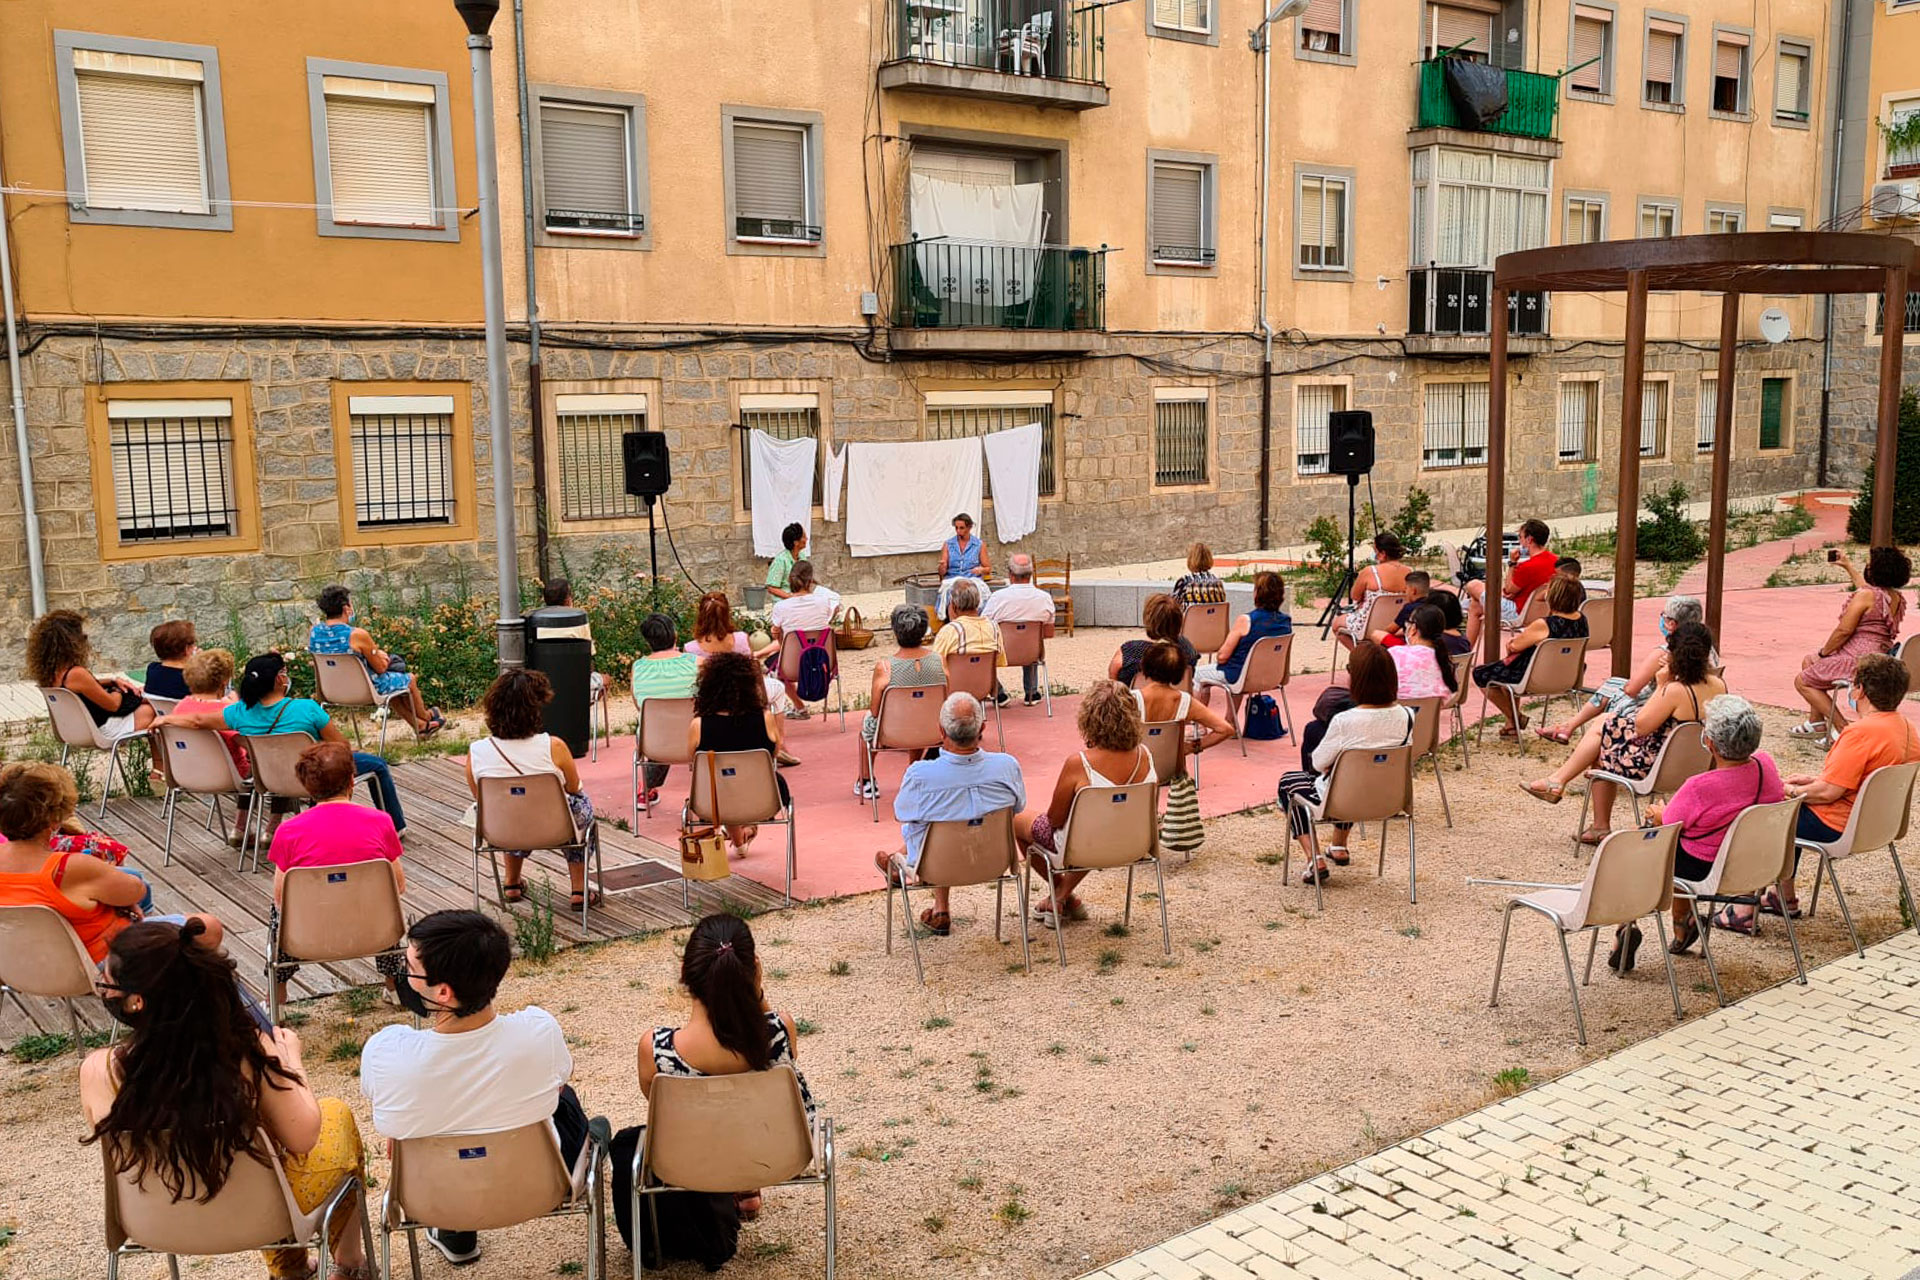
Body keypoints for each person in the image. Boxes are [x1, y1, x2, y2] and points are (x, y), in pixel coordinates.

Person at [82, 919, 376, 1280]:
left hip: (153, 1222)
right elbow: (302, 1138)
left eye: (106, 983)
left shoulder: (99, 1071)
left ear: (136, 1001)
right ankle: (349, 1265)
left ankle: (293, 1271)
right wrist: (290, 1061)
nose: (103, 990)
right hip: (259, 1216)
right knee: (332, 1115)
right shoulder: (247, 1052)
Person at [360, 910, 596, 1268]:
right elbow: (560, 1077)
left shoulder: (387, 1052)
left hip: (432, 1197)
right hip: (535, 1189)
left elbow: (387, 1115)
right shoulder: (538, 1032)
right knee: (560, 1097)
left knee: (415, 1127)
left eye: (410, 967)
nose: (405, 976)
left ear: (443, 991)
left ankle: (454, 1229)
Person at [639, 914, 815, 1222]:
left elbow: (659, 1108)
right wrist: (757, 994)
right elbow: (776, 1053)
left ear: (686, 973)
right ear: (752, 971)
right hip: (776, 1155)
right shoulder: (781, 1030)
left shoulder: (655, 1049)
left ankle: (732, 1185)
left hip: (690, 1163)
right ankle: (747, 1185)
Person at [155, 653, 407, 837]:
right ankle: (396, 828)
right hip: (315, 777)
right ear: (279, 679)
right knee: (378, 765)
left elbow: (199, 720)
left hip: (269, 779)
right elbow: (341, 746)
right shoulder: (306, 709)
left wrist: (166, 717)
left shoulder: (239, 712)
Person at [1521, 621, 1724, 844]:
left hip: (1654, 767)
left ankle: (1564, 789)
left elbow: (1640, 725)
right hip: (1695, 763)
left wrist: (1661, 684)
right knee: (1605, 726)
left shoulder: (1674, 690)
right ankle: (1560, 786)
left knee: (1602, 741)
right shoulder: (1718, 684)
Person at [0, 762, 222, 964]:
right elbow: (136, 891)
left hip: (23, 965)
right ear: (55, 818)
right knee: (207, 927)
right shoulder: (70, 866)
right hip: (98, 964)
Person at [1758, 653, 1920, 928]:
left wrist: (1786, 789)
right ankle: (1781, 896)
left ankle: (1748, 907)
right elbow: (1857, 781)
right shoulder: (1906, 728)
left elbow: (1829, 793)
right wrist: (1809, 782)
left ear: (1861, 690)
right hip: (1879, 823)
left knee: (1771, 814)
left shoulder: (1860, 733)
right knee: (1792, 808)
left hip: (1840, 825)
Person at [871, 693, 1026, 935]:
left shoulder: (920, 774)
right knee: (951, 819)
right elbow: (1019, 806)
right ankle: (939, 908)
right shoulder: (1007, 766)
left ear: (941, 731)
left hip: (937, 865)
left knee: (931, 823)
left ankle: (899, 866)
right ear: (982, 727)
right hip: (994, 861)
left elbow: (901, 812)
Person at [269, 742, 407, 1009]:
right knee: (385, 904)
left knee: (279, 916)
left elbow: (280, 897)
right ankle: (394, 986)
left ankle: (277, 999)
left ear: (307, 787)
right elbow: (398, 886)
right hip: (373, 930)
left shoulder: (288, 831)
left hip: (306, 936)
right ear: (352, 781)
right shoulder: (380, 821)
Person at [1642, 696, 1785, 952]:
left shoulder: (1699, 787)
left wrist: (1656, 813)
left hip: (1708, 869)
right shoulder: (1766, 765)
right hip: (1759, 863)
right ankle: (1679, 924)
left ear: (1710, 742)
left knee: (1651, 839)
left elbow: (1669, 824)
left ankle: (1671, 923)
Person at [1274, 642, 1416, 886]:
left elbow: (1317, 763)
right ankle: (1339, 843)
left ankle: (1314, 857)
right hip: (1390, 799)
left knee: (1290, 782)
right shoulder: (1407, 715)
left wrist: (1336, 764)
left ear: (1356, 678)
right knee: (1352, 776)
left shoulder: (1344, 720)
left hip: (1346, 798)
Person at [1018, 680, 1155, 927]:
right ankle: (1063, 897)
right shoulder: (1146, 756)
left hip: (1087, 844)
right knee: (1095, 825)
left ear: (1089, 719)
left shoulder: (1079, 763)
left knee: (1017, 820)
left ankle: (1059, 896)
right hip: (1133, 842)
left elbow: (1055, 820)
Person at [466, 669, 599, 914]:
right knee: (580, 806)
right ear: (535, 710)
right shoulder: (554, 746)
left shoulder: (476, 752)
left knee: (510, 805)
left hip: (503, 829)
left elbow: (480, 798)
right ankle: (579, 890)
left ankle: (512, 883)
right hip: (555, 827)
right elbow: (573, 788)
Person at [1538, 594, 1709, 745]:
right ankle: (1569, 726)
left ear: (1672, 624)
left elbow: (1632, 690)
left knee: (1617, 693)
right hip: (1689, 698)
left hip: (1656, 702)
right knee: (1612, 684)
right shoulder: (1708, 649)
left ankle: (1593, 742)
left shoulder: (1664, 653)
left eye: (1663, 616)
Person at [1792, 546, 1911, 741]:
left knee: (1802, 681)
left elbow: (1844, 631)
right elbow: (1867, 590)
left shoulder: (1867, 596)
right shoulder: (1895, 598)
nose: (1867, 566)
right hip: (1878, 656)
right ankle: (1817, 723)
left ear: (1876, 571)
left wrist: (1824, 652)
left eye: (1870, 564)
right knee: (1808, 662)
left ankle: (1842, 728)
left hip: (1856, 659)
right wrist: (1847, 566)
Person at [687, 652, 791, 858]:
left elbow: (694, 762)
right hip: (765, 799)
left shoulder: (699, 725)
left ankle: (740, 836)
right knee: (742, 782)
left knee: (724, 780)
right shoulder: (765, 718)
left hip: (712, 803)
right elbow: (774, 753)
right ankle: (746, 832)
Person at [308, 586, 444, 738]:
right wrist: (381, 656)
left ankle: (420, 726)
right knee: (409, 679)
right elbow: (380, 668)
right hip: (365, 691)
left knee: (393, 683)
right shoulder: (357, 635)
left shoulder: (314, 632)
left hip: (331, 692)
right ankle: (429, 716)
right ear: (346, 608)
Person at [1472, 574, 1587, 737]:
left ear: (1553, 597)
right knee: (1508, 671)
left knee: (1482, 674)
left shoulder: (1545, 624)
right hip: (1569, 676)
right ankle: (1511, 725)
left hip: (1536, 678)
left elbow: (1514, 646)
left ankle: (1515, 717)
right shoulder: (1582, 620)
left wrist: (1513, 644)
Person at [855, 605, 946, 801]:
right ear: (924, 631)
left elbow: (875, 710)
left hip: (893, 732)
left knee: (866, 728)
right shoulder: (939, 661)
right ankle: (913, 771)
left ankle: (866, 780)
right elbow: (948, 697)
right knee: (920, 714)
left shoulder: (885, 667)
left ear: (895, 632)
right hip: (931, 729)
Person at [28, 609, 154, 735]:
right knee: (154, 711)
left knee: (142, 699)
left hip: (75, 730)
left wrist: (112, 681)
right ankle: (161, 755)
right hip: (99, 731)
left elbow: (84, 687)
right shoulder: (76, 674)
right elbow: (113, 704)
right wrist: (118, 691)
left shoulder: (52, 673)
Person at [174, 647, 253, 845]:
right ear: (224, 681)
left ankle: (242, 830)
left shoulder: (181, 706)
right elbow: (247, 743)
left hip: (186, 774)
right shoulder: (226, 711)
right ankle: (243, 828)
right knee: (263, 767)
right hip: (228, 775)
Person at [632, 612, 709, 790]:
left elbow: (640, 706)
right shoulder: (698, 663)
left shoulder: (638, 668)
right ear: (675, 634)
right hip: (696, 740)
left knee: (657, 725)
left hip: (654, 744)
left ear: (648, 641)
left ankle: (646, 789)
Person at [1193, 572, 1292, 707]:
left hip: (1241, 676)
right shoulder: (1286, 622)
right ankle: (1229, 722)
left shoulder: (1246, 620)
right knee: (1240, 670)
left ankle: (1201, 726)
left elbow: (1221, 657)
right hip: (1272, 676)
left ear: (1258, 593)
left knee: (1197, 674)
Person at [1134, 642, 1237, 769]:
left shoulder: (1130, 699)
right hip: (1171, 770)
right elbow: (1225, 729)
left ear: (1145, 666)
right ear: (1180, 672)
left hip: (1138, 770)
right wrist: (1191, 747)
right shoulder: (1185, 701)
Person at [1465, 519, 1557, 647]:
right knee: (1475, 606)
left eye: (1520, 537)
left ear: (1529, 540)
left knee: (1473, 585)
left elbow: (1508, 590)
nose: (1520, 542)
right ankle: (1467, 650)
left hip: (1519, 613)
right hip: (1545, 611)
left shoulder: (1527, 567)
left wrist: (1512, 563)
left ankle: (1465, 652)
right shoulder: (1556, 561)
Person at [982, 553, 1058, 706]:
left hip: (1002, 652)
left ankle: (999, 693)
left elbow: (982, 626)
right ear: (1031, 574)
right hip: (1031, 653)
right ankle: (1032, 692)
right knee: (1030, 642)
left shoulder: (998, 598)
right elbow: (1049, 633)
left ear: (1010, 575)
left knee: (981, 652)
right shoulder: (1044, 598)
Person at [767, 561, 841, 714]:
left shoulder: (781, 607)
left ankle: (798, 707)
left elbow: (775, 633)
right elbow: (830, 617)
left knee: (770, 665)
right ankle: (799, 707)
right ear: (810, 581)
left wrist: (778, 635)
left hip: (791, 667)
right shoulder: (824, 601)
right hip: (824, 663)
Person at [932, 578, 1007, 706]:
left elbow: (934, 666)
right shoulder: (994, 628)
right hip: (984, 688)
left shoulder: (949, 631)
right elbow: (999, 661)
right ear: (977, 604)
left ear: (953, 605)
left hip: (953, 692)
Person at [539, 579, 608, 707]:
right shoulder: (578, 619)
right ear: (567, 600)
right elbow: (588, 659)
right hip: (575, 687)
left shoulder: (536, 621)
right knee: (606, 679)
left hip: (542, 688)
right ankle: (579, 711)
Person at [1110, 592, 1201, 689]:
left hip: (1136, 701)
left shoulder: (1131, 650)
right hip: (1175, 701)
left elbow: (1113, 675)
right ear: (1179, 620)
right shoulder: (1187, 648)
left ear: (1148, 619)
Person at [1341, 532, 1415, 649]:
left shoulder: (1370, 571)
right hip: (1398, 625)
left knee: (1337, 624)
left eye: (1375, 551)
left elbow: (1355, 596)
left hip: (1369, 625)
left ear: (1383, 553)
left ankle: (1361, 657)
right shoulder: (1410, 572)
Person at [1390, 605, 1459, 701]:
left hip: (1398, 713)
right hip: (1431, 714)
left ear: (1413, 628)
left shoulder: (1395, 653)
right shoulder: (1445, 660)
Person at [1370, 570, 1431, 646]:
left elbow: (1390, 630)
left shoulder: (1409, 608)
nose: (1404, 591)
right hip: (1431, 644)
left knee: (1376, 634)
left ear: (1413, 591)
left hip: (1412, 647)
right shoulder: (1435, 602)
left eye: (1406, 588)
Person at [143, 620, 197, 702]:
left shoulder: (152, 669)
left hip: (162, 712)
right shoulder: (191, 677)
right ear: (187, 649)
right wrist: (199, 662)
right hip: (189, 713)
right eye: (193, 644)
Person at [939, 512, 991, 581]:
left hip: (972, 580)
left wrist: (981, 570)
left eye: (961, 528)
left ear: (969, 527)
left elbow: (988, 568)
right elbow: (942, 572)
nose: (958, 531)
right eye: (956, 528)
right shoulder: (948, 544)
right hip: (953, 580)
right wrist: (942, 568)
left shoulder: (979, 544)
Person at [766, 523, 809, 601]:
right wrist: (790, 596)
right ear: (796, 542)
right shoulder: (781, 560)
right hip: (784, 601)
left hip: (800, 598)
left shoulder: (802, 557)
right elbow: (771, 588)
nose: (807, 539)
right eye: (804, 537)